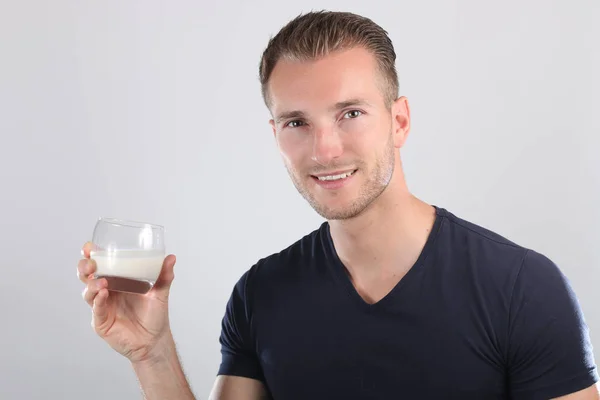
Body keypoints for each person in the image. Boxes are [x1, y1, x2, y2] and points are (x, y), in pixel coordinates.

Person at [77, 10, 599, 400]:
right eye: (297, 122)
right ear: (275, 134)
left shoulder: (521, 288)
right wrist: (152, 352)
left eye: (350, 112)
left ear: (399, 121)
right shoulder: (260, 294)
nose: (325, 149)